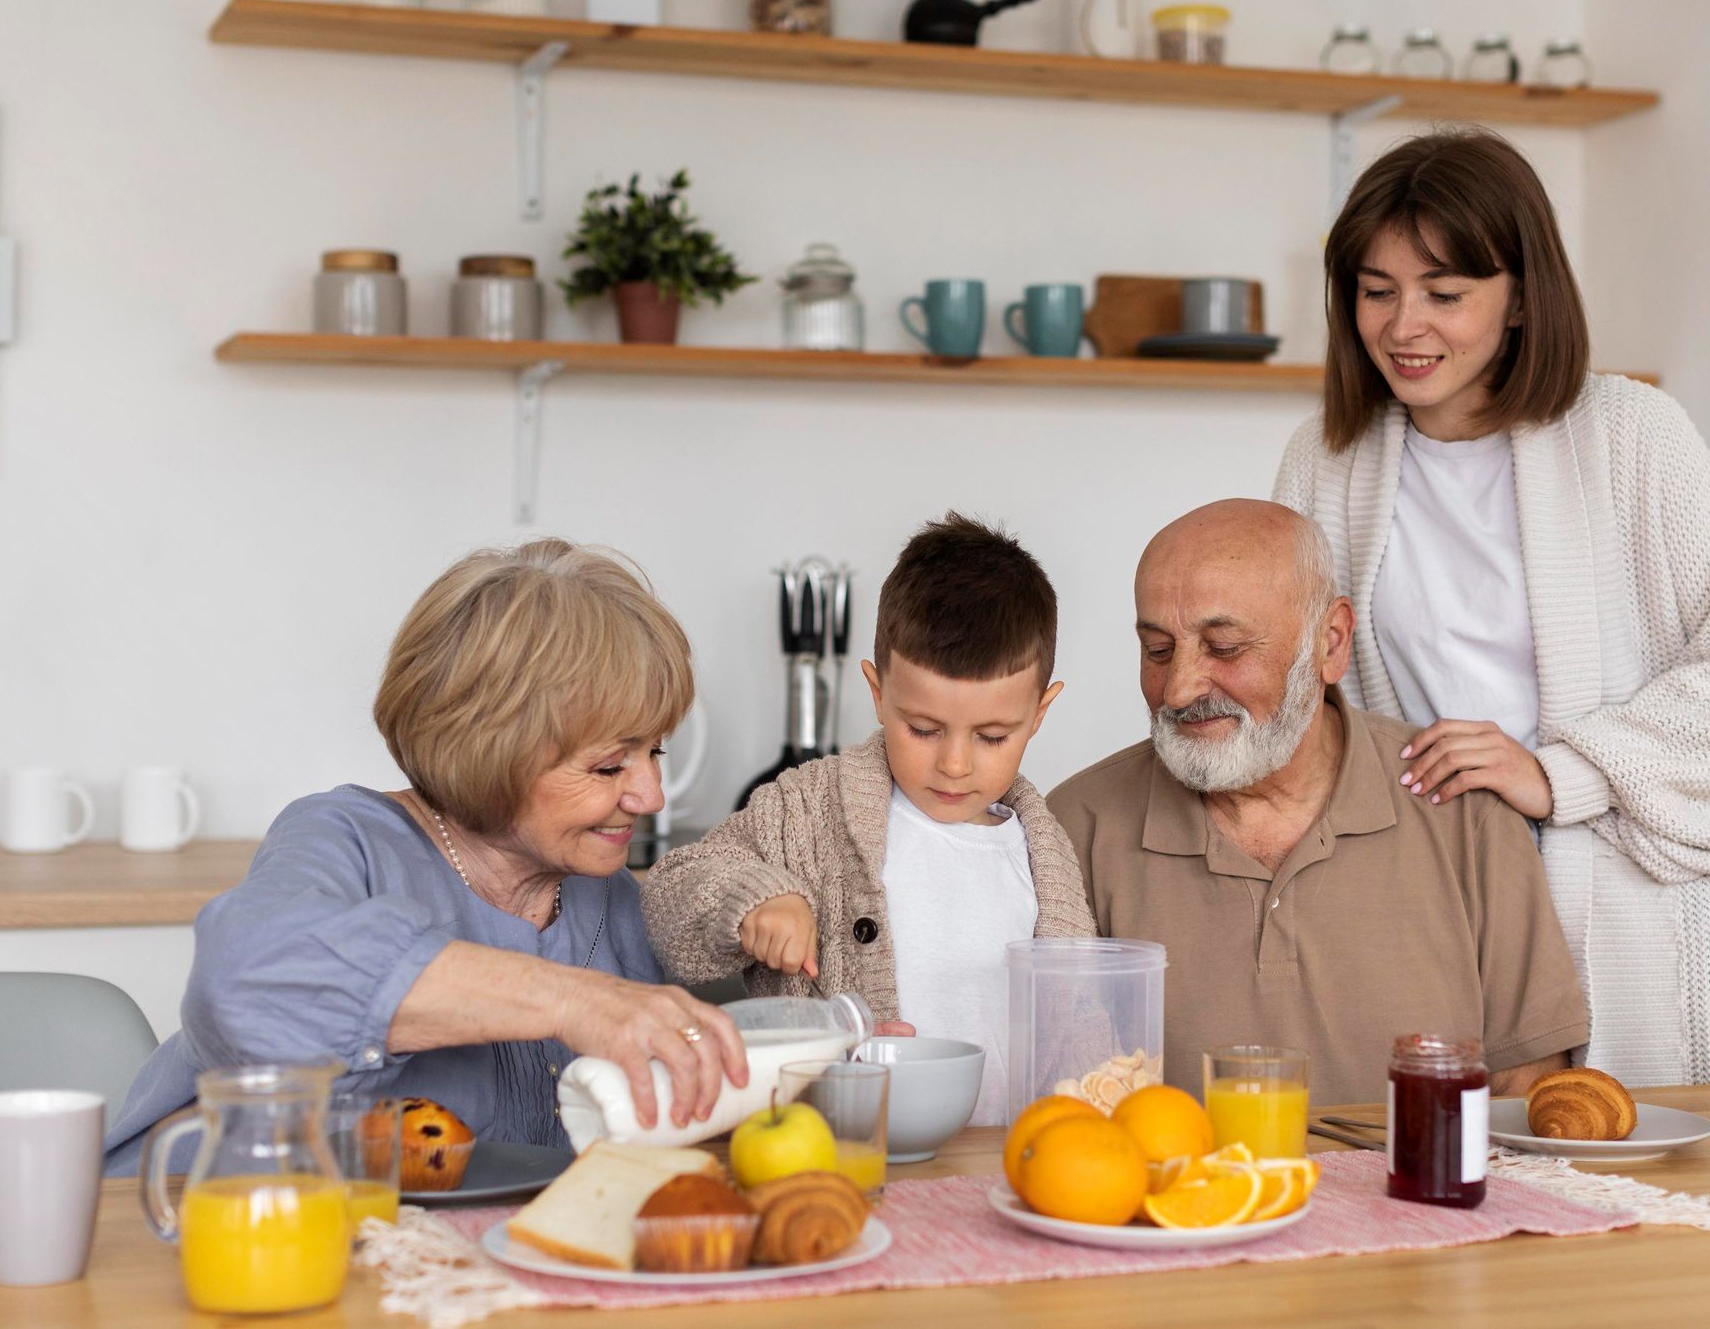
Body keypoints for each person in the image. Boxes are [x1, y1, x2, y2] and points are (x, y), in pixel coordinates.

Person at [1272, 127, 1710, 1086]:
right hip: (1449, 901)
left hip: (1649, 911)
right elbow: (1311, 693)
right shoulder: (1327, 464)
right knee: (1464, 1202)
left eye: (1445, 294)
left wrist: (1559, 774)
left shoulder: (1635, 436)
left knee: (1667, 1204)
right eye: (1376, 289)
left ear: (1521, 297)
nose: (1405, 326)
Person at [103, 540, 748, 1173]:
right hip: (177, 1237)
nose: (651, 795)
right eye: (609, 764)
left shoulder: (612, 900)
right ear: (491, 750)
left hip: (443, 1264)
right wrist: (571, 1001)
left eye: (654, 752)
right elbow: (244, 978)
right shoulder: (347, 839)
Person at [1047, 500, 1587, 1106]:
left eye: (1224, 648)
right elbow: (1059, 1096)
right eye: (1157, 650)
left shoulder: (1466, 811)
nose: (1179, 689)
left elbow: (1532, 1092)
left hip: (1414, 1198)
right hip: (1186, 1199)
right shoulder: (1073, 827)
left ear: (1329, 643)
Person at [644, 513, 1095, 1124]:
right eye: (923, 729)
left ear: (1040, 712)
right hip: (841, 1150)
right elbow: (670, 893)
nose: (955, 763)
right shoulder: (808, 810)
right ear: (877, 692)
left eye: (992, 736)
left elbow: (1084, 1029)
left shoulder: (1045, 854)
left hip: (1006, 1162)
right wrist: (753, 899)